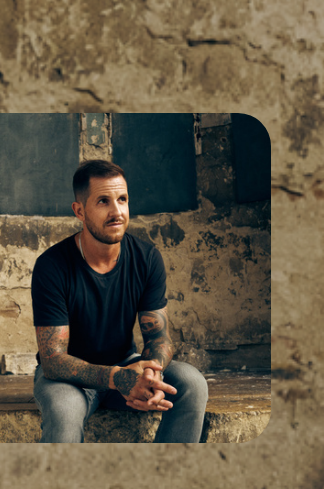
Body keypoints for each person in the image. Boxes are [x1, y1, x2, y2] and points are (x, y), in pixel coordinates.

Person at [31, 159, 209, 443]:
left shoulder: (146, 258)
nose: (117, 212)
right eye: (103, 201)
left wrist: (150, 373)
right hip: (70, 380)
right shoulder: (52, 266)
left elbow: (159, 338)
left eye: (122, 199)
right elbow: (53, 360)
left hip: (128, 365)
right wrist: (117, 377)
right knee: (64, 411)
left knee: (191, 383)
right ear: (79, 211)